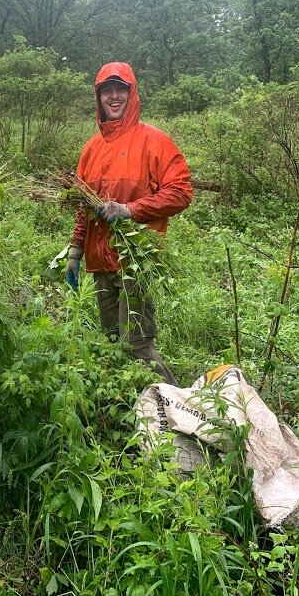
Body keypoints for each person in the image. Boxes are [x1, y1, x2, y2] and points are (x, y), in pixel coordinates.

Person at [65, 61, 192, 386]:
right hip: (100, 261)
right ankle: (131, 411)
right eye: (107, 90)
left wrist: (130, 210)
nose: (114, 96)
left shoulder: (154, 141)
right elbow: (84, 205)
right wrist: (76, 250)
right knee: (111, 343)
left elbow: (180, 192)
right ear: (99, 98)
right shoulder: (91, 149)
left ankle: (178, 412)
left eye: (121, 89)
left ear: (131, 93)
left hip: (135, 260)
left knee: (137, 344)